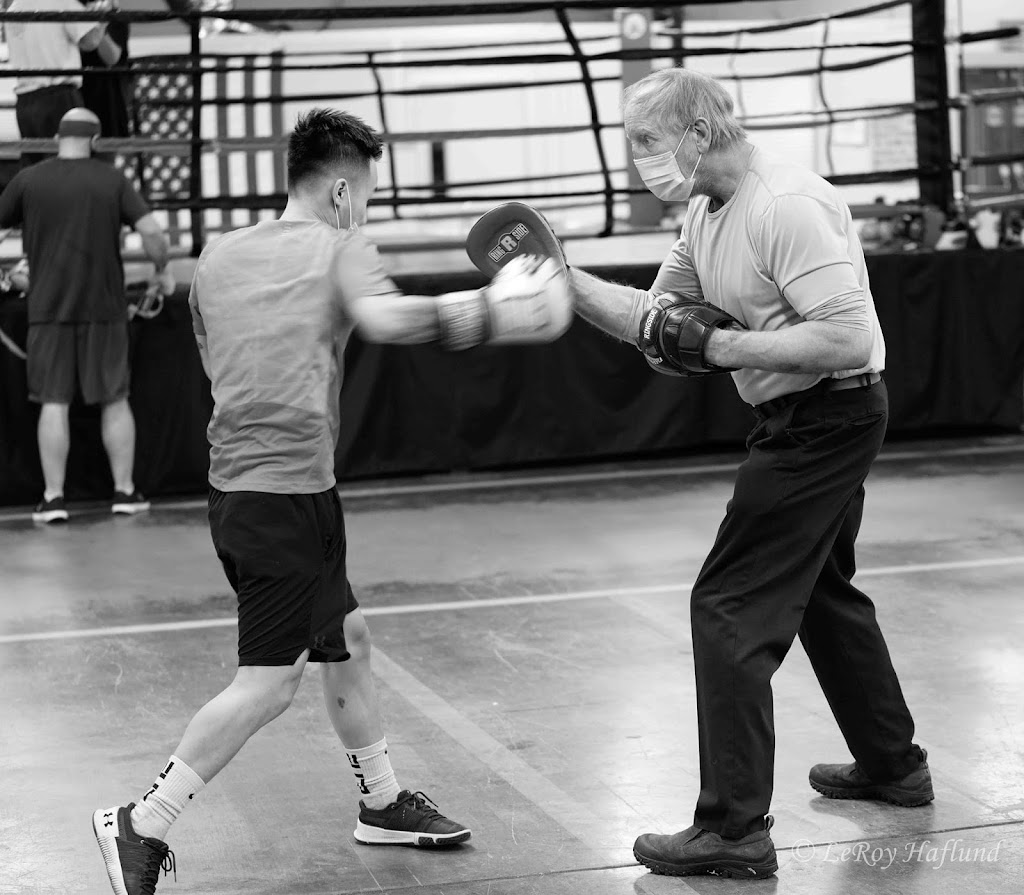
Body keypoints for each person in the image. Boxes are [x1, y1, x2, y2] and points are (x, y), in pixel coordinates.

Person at [91, 107, 570, 895]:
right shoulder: (341, 245)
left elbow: (221, 361)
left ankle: (381, 801)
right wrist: (495, 308)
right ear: (343, 190)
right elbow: (386, 319)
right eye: (369, 196)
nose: (368, 210)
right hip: (280, 496)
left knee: (348, 636)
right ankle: (143, 819)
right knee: (269, 681)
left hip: (255, 487)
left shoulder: (217, 256)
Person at [561, 68, 931, 878]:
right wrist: (561, 278)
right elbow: (657, 328)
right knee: (822, 594)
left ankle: (732, 828)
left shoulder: (784, 205)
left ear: (698, 133)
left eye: (647, 142)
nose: (638, 163)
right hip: (801, 413)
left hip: (827, 415)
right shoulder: (704, 210)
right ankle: (894, 765)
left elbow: (843, 339)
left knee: (728, 605)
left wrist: (722, 346)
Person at [0, 107, 172, 522]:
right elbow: (151, 232)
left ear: (59, 138)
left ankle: (54, 499)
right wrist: (162, 270)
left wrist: (6, 276)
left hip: (47, 309)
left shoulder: (28, 179)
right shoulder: (111, 179)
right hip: (105, 308)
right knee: (115, 400)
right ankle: (125, 492)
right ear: (95, 141)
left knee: (53, 403)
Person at [5, 0, 122, 166]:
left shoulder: (15, 7)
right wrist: (102, 19)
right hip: (58, 97)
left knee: (35, 168)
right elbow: (90, 41)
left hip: (25, 99)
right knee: (69, 166)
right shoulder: (62, 2)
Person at [78, 0, 133, 151]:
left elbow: (111, 58)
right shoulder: (68, 12)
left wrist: (97, 23)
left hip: (106, 98)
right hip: (75, 95)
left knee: (104, 161)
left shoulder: (116, 17)